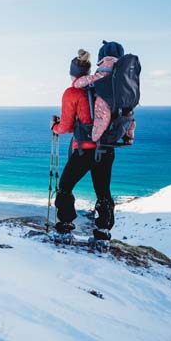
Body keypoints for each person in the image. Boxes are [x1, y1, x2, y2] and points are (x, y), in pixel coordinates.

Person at [50, 48, 116, 245]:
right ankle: (102, 234)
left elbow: (66, 126)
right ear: (88, 72)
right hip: (106, 148)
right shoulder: (103, 88)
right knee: (103, 192)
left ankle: (65, 229)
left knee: (65, 187)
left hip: (84, 150)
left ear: (72, 73)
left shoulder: (72, 92)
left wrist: (55, 126)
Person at [70, 40, 135, 146]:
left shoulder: (106, 68)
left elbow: (91, 79)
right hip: (123, 102)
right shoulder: (124, 71)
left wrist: (76, 82)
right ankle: (129, 136)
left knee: (102, 110)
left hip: (107, 99)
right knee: (129, 114)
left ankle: (96, 135)